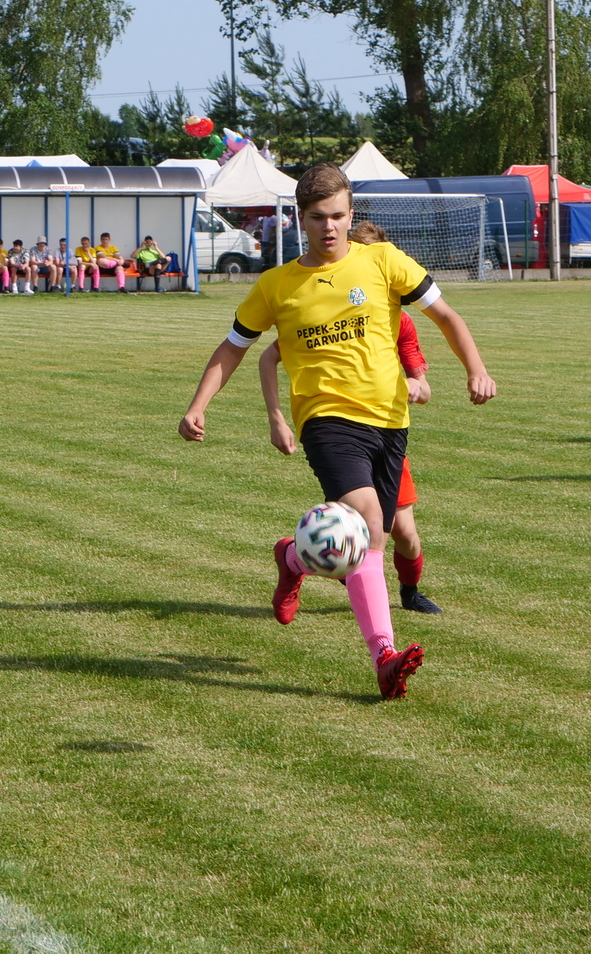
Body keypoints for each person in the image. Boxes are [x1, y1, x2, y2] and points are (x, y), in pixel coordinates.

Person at [179, 163, 499, 700]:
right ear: (300, 219)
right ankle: (384, 657)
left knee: (371, 538)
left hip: (390, 421)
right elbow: (234, 348)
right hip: (325, 421)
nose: (328, 227)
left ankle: (292, 558)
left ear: (351, 215)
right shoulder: (275, 285)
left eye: (337, 216)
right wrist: (198, 406)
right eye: (317, 217)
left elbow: (445, 315)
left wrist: (476, 369)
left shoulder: (383, 260)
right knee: (370, 523)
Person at [257, 221, 442, 615]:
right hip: (338, 430)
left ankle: (408, 593)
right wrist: (277, 418)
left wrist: (416, 386)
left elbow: (424, 388)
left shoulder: (400, 322)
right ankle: (377, 634)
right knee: (355, 540)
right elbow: (268, 356)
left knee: (405, 535)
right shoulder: (328, 311)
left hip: (386, 432)